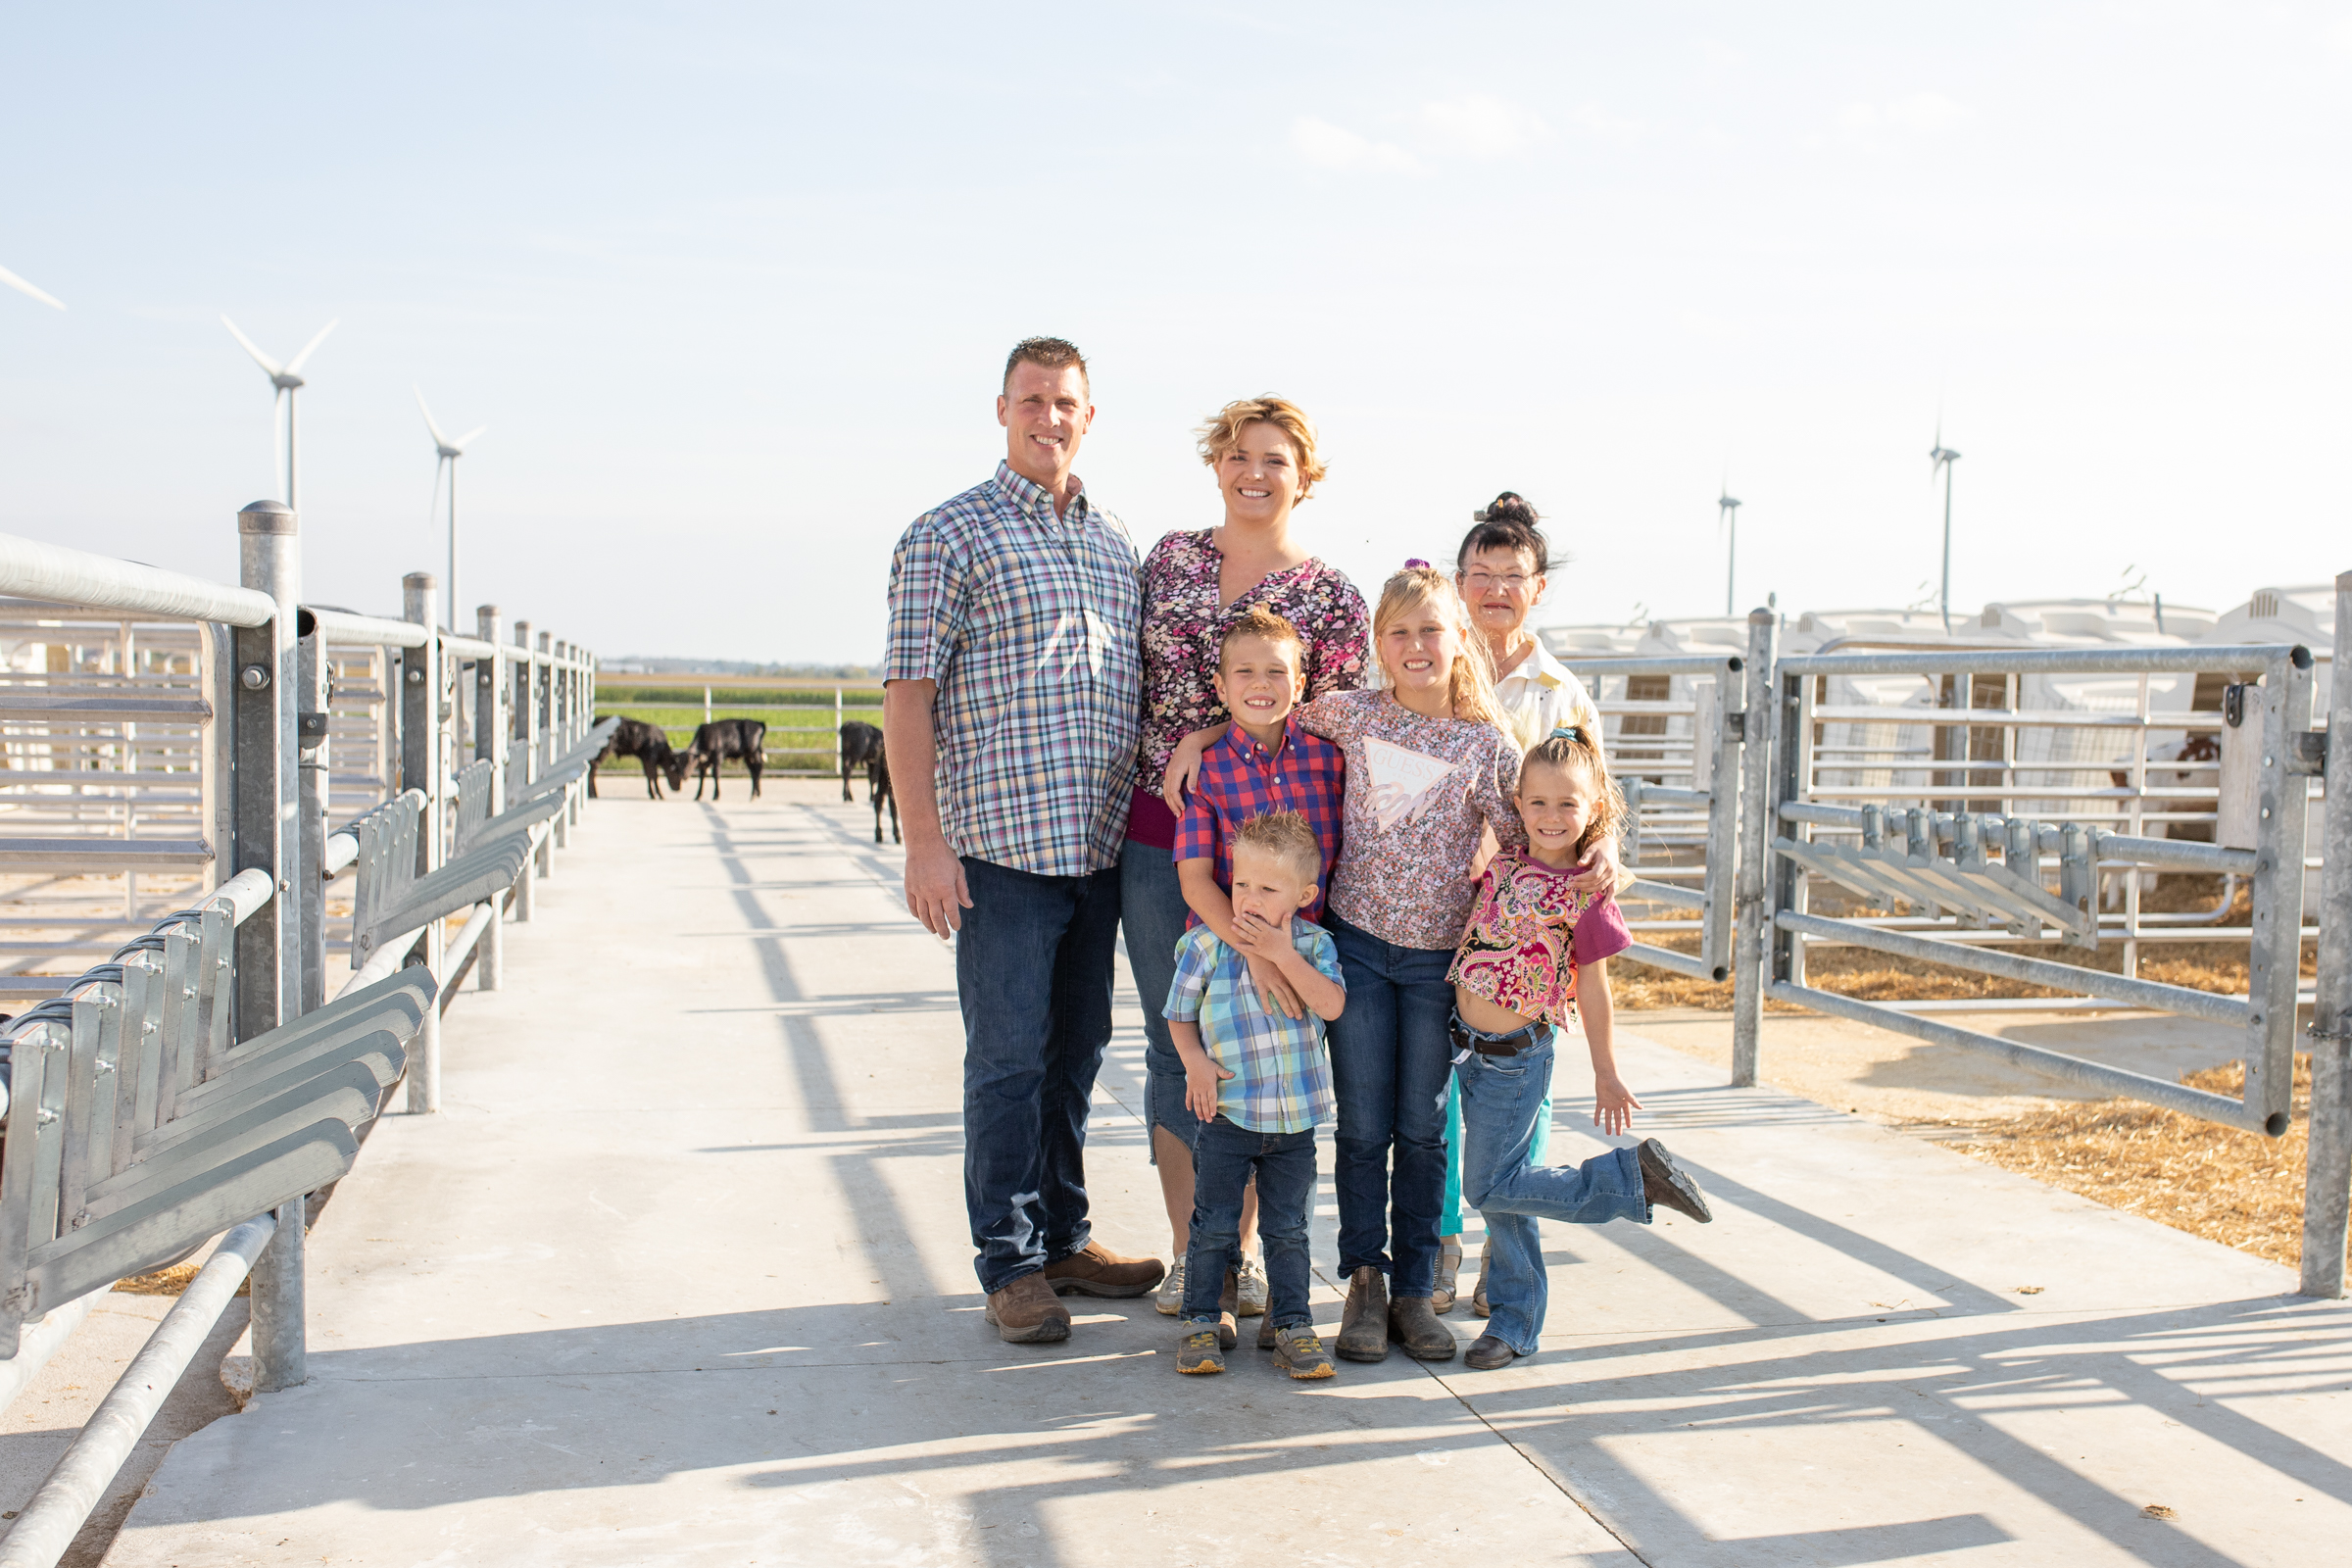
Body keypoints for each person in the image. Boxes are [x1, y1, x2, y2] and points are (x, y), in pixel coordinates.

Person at [883, 336, 1165, 1346]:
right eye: (1034, 399)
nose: (1051, 416)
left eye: (1068, 402)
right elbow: (907, 695)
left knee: (1078, 1051)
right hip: (999, 852)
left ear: (1091, 417)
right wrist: (923, 841)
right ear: (1002, 408)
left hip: (1095, 851)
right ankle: (1007, 1263)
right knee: (1006, 1059)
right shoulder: (947, 534)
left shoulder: (1114, 539)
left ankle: (1063, 1237)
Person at [1171, 565, 1520, 1363]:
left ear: (1458, 638)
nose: (1414, 646)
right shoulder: (1349, 714)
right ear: (1377, 647)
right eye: (1397, 633)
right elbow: (1262, 711)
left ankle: (1414, 1291)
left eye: (1430, 629)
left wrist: (1593, 851)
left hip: (1436, 961)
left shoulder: (1486, 747)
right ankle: (1364, 1280)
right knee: (1363, 1126)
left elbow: (1530, 837)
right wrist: (1193, 737)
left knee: (1424, 1129)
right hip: (1357, 949)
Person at [1126, 396, 1367, 1322]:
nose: (1254, 472)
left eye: (1274, 458)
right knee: (1173, 1033)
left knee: (1264, 1033)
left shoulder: (1333, 595)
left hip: (1280, 847)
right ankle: (1198, 1254)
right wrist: (1190, 738)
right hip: (1172, 830)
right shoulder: (1174, 560)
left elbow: (1337, 719)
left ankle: (1251, 1256)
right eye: (1237, 454)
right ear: (1215, 465)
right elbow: (1142, 681)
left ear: (1304, 476)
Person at [1446, 725, 1713, 1369]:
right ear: (1518, 805)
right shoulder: (1505, 862)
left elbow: (1594, 990)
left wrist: (1606, 1072)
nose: (1550, 816)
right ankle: (1512, 1325)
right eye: (1537, 802)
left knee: (1489, 1186)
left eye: (1568, 803)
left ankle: (1628, 1180)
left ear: (1594, 809)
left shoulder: (1589, 893)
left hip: (1516, 1058)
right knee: (1507, 1192)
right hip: (1458, 1045)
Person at [1440, 492, 1616, 1314]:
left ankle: (1501, 1259)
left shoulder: (1562, 692)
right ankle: (1441, 1246)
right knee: (1436, 1104)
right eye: (1480, 575)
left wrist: (1604, 854)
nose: (1495, 591)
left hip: (1528, 927)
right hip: (1441, 905)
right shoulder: (1432, 661)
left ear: (1537, 588)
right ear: (1459, 581)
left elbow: (1597, 799)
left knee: (1520, 1103)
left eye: (1513, 577)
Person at [1164, 811, 1348, 1381]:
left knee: (1288, 1228)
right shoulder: (1205, 945)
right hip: (1227, 1112)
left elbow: (1333, 1005)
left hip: (1293, 1122)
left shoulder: (1314, 946)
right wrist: (1194, 1063)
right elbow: (1178, 1015)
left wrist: (1281, 954)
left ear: (1303, 894)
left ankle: (1292, 1324)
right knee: (1213, 1222)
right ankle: (1200, 1321)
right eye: (1241, 884)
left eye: (1267, 889)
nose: (1248, 899)